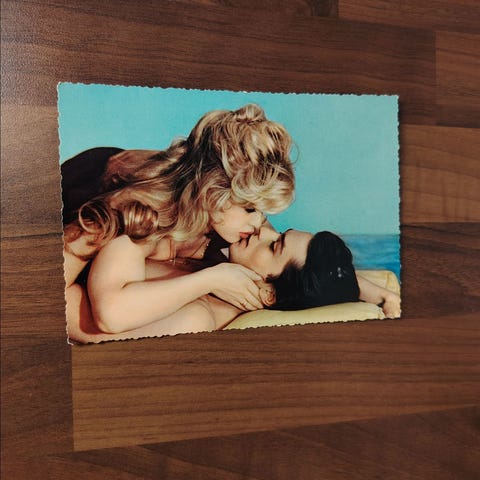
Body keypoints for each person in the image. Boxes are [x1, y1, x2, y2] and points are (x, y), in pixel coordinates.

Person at [63, 104, 296, 336]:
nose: (259, 225)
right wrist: (212, 279)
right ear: (213, 192)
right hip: (85, 187)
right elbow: (102, 312)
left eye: (263, 212)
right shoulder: (136, 209)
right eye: (250, 208)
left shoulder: (241, 227)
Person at [67, 225, 401, 343]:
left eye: (274, 245)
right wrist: (381, 293)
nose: (263, 229)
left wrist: (127, 231)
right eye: (279, 232)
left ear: (268, 292)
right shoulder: (223, 267)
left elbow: (64, 312)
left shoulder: (194, 318)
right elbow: (321, 280)